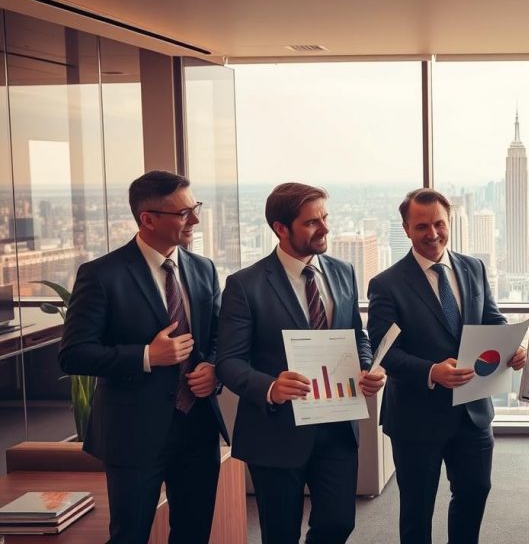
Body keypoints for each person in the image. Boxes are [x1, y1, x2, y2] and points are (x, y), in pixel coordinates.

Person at [59, 170, 228, 544]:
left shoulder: (204, 269)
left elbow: (218, 335)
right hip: (133, 432)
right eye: (184, 213)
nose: (195, 219)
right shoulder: (101, 275)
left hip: (198, 426)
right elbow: (73, 355)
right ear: (147, 218)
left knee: (193, 533)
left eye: (195, 207)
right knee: (129, 535)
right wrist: (147, 356)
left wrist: (212, 368)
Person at [216, 183, 385, 544]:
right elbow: (228, 361)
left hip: (337, 426)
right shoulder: (245, 285)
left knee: (339, 523)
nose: (324, 228)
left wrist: (367, 366)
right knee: (280, 533)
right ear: (281, 228)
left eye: (325, 217)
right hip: (276, 431)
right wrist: (271, 387)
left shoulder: (342, 272)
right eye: (312, 222)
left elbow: (356, 334)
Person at [367, 187, 526, 544]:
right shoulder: (386, 284)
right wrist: (430, 371)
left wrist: (512, 348)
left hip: (472, 411)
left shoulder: (473, 267)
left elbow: (492, 319)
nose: (433, 234)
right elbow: (383, 350)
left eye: (439, 224)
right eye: (422, 226)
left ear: (450, 221)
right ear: (406, 228)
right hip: (415, 417)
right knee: (417, 512)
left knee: (474, 495)